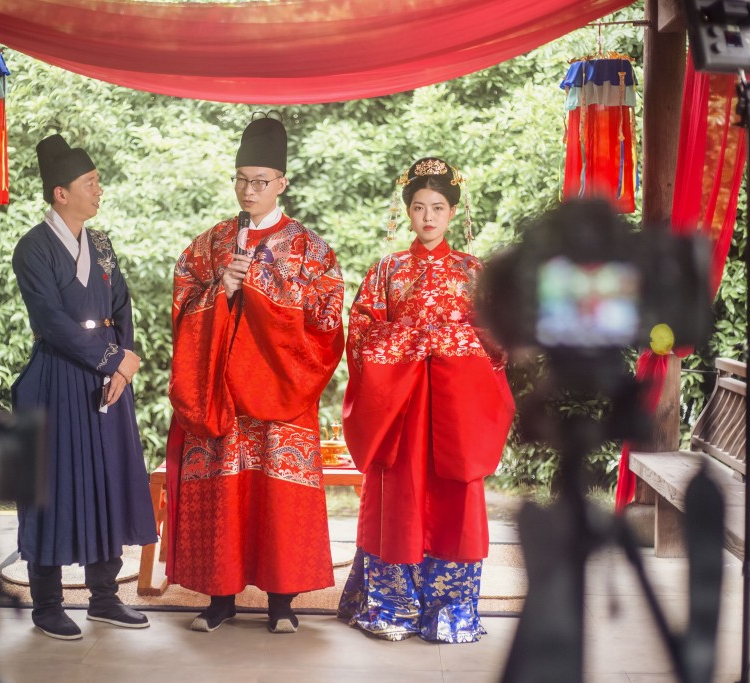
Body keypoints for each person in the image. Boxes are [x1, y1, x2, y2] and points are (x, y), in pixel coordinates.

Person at [166, 114, 345, 634]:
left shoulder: (311, 248)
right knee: (223, 488)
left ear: (282, 184)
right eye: (242, 179)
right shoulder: (210, 243)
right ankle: (220, 599)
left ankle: (281, 602)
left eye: (260, 181)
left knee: (277, 491)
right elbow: (182, 303)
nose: (249, 190)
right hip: (220, 390)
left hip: (282, 389)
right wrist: (220, 290)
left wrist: (266, 287)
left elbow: (328, 318)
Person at [337, 157, 515, 643]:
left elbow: (498, 342)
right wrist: (414, 340)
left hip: (457, 408)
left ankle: (451, 612)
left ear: (454, 212)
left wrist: (450, 343)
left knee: (454, 502)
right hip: (400, 409)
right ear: (407, 213)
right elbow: (362, 335)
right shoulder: (386, 271)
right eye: (419, 207)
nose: (429, 217)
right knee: (398, 500)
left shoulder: (475, 273)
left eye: (438, 207)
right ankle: (391, 608)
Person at [11, 133, 157, 640]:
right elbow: (50, 320)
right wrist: (112, 359)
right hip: (55, 379)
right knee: (51, 485)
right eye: (90, 183)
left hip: (107, 382)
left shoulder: (101, 243)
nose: (100, 190)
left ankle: (104, 597)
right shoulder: (32, 248)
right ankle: (47, 602)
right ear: (60, 193)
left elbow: (122, 306)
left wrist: (124, 364)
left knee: (107, 480)